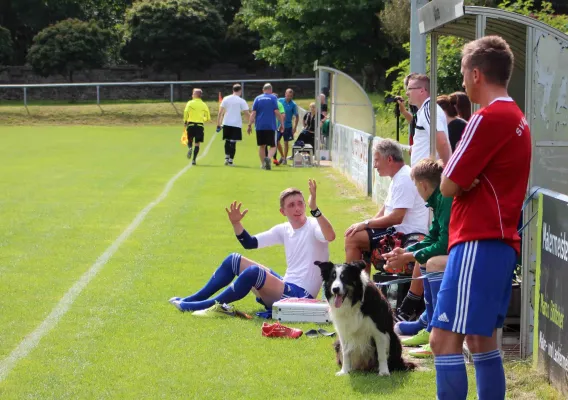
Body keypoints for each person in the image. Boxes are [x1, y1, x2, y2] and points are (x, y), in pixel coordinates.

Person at [430, 36, 531, 400]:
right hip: (499, 245)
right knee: (481, 340)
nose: (462, 81)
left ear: (476, 74)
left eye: (462, 73)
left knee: (442, 341)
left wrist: (457, 179)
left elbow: (446, 185)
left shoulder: (486, 118)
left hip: (477, 241)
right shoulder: (516, 116)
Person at [169, 179, 336, 312]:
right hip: (285, 287)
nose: (297, 208)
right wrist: (236, 224)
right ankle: (192, 299)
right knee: (233, 260)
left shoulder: (314, 225)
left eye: (300, 203)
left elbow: (330, 236)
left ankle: (202, 306)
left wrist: (316, 210)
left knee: (254, 273)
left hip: (301, 297)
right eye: (291, 205)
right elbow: (249, 243)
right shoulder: (283, 229)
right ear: (282, 212)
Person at [383, 159, 452, 359]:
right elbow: (433, 237)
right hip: (459, 249)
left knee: (431, 261)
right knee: (425, 260)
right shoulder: (438, 198)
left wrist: (408, 257)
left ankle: (437, 329)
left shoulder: (445, 198)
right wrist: (405, 251)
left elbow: (443, 244)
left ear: (422, 185)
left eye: (415, 186)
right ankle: (429, 323)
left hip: (471, 252)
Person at [344, 139, 429, 275]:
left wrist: (366, 224)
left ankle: (353, 288)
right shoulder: (398, 177)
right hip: (396, 231)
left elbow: (397, 218)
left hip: (406, 235)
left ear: (389, 159)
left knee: (353, 238)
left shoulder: (404, 178)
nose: (375, 165)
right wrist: (366, 225)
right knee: (356, 234)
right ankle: (362, 289)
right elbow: (385, 209)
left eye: (377, 160)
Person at [405, 74, 452, 166]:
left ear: (422, 90)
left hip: (429, 177)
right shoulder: (427, 109)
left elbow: (442, 142)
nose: (407, 93)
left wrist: (447, 170)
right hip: (426, 176)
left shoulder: (428, 110)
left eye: (409, 89)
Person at [248, 83, 284, 170]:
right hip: (271, 126)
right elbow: (276, 111)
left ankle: (263, 164)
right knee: (273, 145)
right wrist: (282, 123)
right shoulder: (273, 98)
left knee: (262, 146)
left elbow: (253, 113)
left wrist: (249, 125)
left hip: (259, 126)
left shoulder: (257, 98)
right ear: (271, 90)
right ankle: (268, 158)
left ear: (263, 90)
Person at [216, 84, 250, 166]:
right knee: (233, 142)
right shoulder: (241, 100)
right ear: (240, 90)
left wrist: (218, 124)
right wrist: (251, 122)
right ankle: (230, 161)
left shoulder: (226, 98)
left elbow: (220, 112)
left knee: (227, 141)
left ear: (233, 90)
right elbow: (247, 113)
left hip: (226, 123)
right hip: (236, 124)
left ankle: (226, 158)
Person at [183, 88, 211, 165]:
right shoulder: (204, 104)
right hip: (199, 126)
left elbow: (186, 112)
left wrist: (185, 121)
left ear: (195, 95)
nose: (192, 95)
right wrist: (202, 118)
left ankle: (190, 148)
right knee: (197, 143)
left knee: (190, 140)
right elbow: (208, 117)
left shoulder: (190, 103)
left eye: (193, 93)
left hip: (191, 125)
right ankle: (194, 160)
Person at [276, 89, 299, 165]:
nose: (289, 97)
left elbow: (297, 116)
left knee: (286, 142)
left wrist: (295, 127)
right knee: (276, 141)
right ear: (285, 94)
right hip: (279, 125)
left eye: (291, 96)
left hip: (288, 126)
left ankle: (284, 159)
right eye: (288, 95)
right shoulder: (279, 101)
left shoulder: (293, 104)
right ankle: (282, 156)